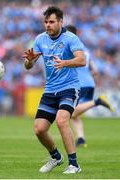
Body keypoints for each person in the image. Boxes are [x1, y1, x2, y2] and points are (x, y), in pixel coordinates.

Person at [23, 6, 86, 174]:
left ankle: (74, 165)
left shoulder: (70, 38)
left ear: (60, 22)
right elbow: (29, 66)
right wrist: (29, 61)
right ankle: (56, 157)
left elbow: (82, 60)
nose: (48, 25)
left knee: (61, 120)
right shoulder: (40, 39)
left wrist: (65, 62)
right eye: (46, 22)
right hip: (50, 90)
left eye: (51, 22)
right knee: (39, 129)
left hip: (69, 88)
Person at [66, 25, 114, 147]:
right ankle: (81, 138)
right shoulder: (84, 49)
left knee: (70, 112)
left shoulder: (70, 47)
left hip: (78, 83)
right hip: (89, 83)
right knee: (75, 115)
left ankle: (97, 101)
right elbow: (95, 71)